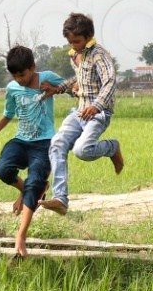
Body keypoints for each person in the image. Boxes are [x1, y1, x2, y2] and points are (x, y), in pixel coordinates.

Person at [0, 45, 65, 257]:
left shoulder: (46, 77)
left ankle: (21, 235)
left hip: (44, 142)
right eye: (15, 75)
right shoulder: (12, 88)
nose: (20, 79)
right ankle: (27, 190)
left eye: (23, 74)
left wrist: (56, 89)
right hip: (21, 140)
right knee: (2, 169)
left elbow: (73, 85)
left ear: (33, 67)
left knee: (35, 182)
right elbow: (8, 114)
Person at [39, 13, 124, 216]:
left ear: (88, 36)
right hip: (79, 111)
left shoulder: (99, 54)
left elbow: (110, 81)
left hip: (98, 113)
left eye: (77, 41)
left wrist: (96, 105)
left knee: (82, 151)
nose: (74, 45)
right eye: (70, 41)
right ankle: (60, 198)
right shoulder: (74, 55)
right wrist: (57, 89)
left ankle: (112, 148)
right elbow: (77, 80)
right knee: (57, 143)